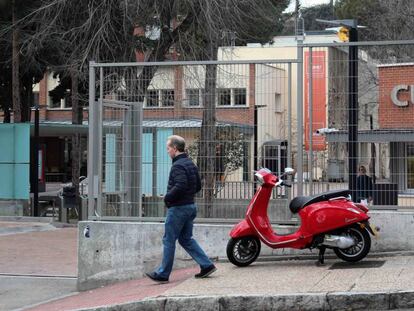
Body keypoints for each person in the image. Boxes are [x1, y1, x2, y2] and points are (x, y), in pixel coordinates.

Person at [146, 135, 217, 283]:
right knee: (185, 239)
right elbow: (198, 185)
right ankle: (207, 265)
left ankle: (163, 273)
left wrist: (167, 198)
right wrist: (187, 196)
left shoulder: (178, 165)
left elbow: (180, 185)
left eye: (168, 148)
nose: (167, 151)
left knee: (168, 240)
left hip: (178, 208)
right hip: (190, 206)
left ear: (175, 148)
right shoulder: (190, 163)